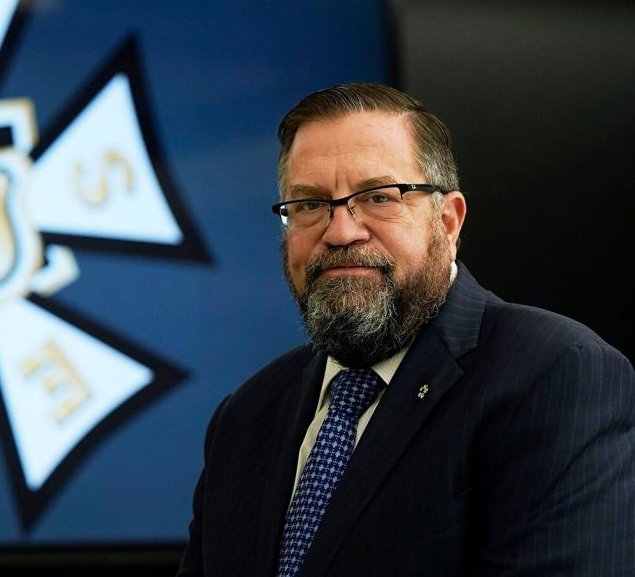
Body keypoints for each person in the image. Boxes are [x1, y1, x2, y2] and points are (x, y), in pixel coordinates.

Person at [177, 83, 635, 576]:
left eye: (378, 196)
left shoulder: (556, 374)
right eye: (309, 204)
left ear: (449, 221)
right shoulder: (245, 416)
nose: (340, 232)